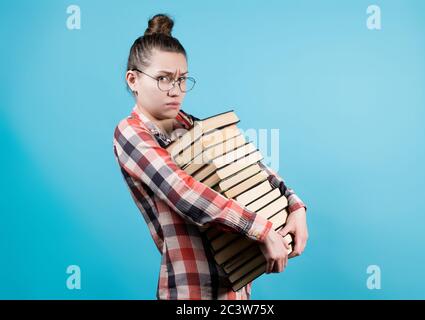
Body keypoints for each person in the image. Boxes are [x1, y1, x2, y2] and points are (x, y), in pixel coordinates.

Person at [112, 13, 308, 300]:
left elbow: (254, 167)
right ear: (133, 80)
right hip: (190, 291)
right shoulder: (130, 133)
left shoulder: (194, 126)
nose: (175, 90)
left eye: (182, 80)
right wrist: (262, 230)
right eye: (163, 79)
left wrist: (296, 206)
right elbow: (182, 192)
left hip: (236, 288)